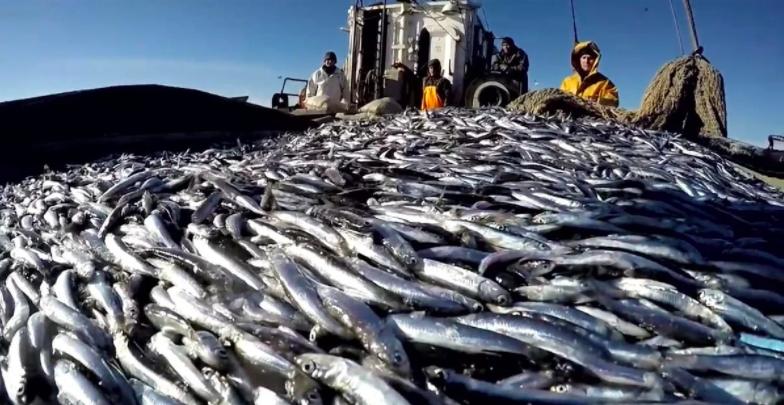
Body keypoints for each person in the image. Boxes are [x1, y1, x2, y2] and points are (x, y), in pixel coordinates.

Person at [560, 41, 619, 107]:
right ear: (579, 60)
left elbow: (612, 103)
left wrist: (595, 102)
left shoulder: (605, 83)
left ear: (595, 60)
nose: (586, 61)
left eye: (590, 58)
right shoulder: (567, 81)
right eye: (584, 57)